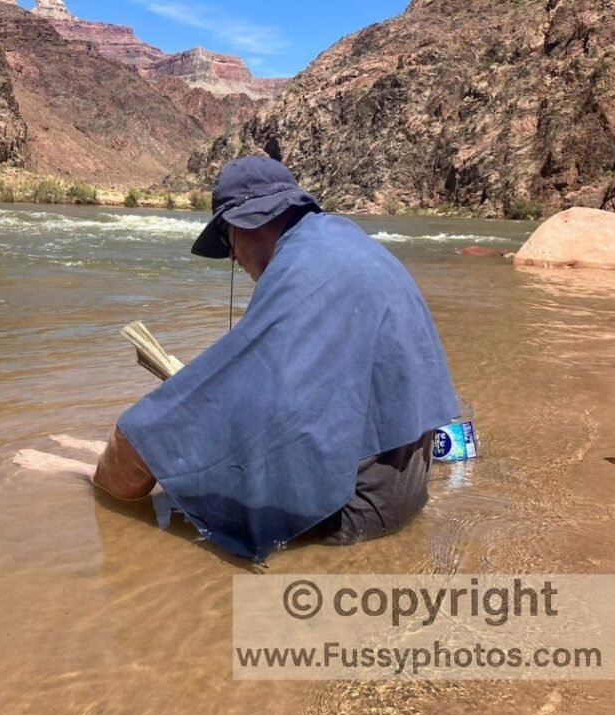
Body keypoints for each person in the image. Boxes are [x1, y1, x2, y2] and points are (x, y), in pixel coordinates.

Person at [87, 156, 459, 560]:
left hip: (358, 511)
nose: (232, 258)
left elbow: (151, 436)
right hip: (406, 489)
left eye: (227, 241)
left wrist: (103, 480)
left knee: (136, 451)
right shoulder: (343, 240)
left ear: (246, 222)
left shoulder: (300, 271)